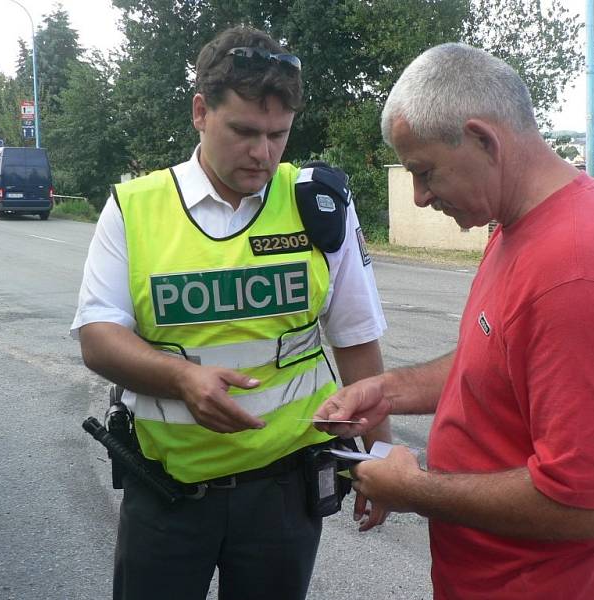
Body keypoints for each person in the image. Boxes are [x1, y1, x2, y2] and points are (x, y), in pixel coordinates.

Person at [314, 42, 594, 599]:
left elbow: (591, 506)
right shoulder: (518, 223)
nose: (421, 196)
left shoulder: (576, 271)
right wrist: (386, 391)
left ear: (483, 139)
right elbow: (502, 356)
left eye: (425, 172)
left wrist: (415, 488)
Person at [71, 26, 391, 600]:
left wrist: (381, 459)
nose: (263, 153)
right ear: (200, 111)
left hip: (284, 493)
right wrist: (182, 379)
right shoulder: (135, 208)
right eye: (244, 131)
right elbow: (97, 337)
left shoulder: (318, 204)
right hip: (167, 490)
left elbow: (358, 343)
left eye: (278, 135)